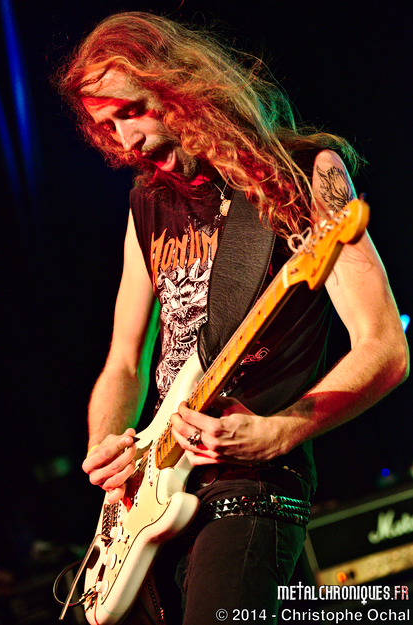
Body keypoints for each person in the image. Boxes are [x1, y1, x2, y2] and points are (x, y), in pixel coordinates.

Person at [57, 12, 408, 625]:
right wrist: (105, 445)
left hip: (252, 483)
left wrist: (281, 430)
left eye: (132, 111)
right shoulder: (147, 202)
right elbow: (123, 362)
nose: (126, 140)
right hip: (153, 492)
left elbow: (385, 347)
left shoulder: (305, 172)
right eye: (108, 126)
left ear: (178, 85)